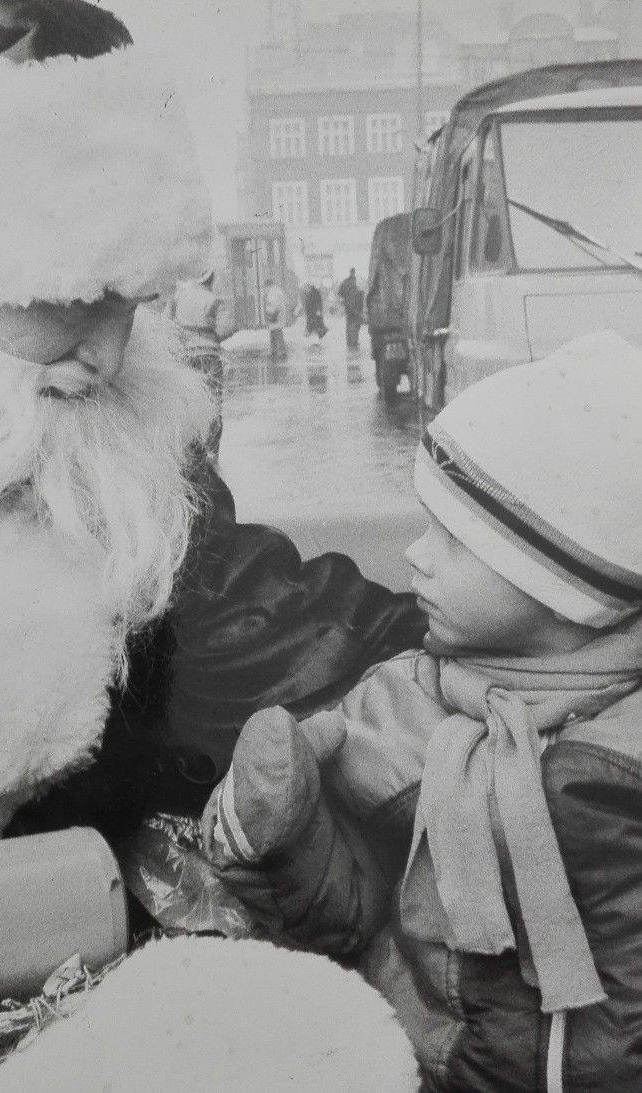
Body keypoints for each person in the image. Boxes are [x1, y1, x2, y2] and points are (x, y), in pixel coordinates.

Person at [0, 32, 426, 855]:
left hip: (62, 934)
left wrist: (520, 659)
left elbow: (278, 633)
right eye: (79, 297)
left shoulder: (121, 456)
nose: (110, 356)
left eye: (130, 305)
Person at [203, 329, 642, 1091]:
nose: (415, 556)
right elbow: (364, 908)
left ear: (564, 580)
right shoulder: (404, 707)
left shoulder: (621, 755)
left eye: (456, 540)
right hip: (431, 1067)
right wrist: (293, 833)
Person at [167, 269, 226, 459]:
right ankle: (211, 450)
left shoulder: (178, 297)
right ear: (211, 278)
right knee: (213, 403)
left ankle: (189, 448)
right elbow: (224, 329)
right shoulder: (213, 300)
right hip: (209, 356)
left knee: (187, 401)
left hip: (185, 356)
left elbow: (166, 322)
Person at [338, 267, 365, 351]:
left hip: (348, 307)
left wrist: (344, 302)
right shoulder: (358, 281)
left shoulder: (344, 282)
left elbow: (339, 294)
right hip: (357, 307)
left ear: (350, 272)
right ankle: (354, 341)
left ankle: (349, 341)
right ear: (354, 272)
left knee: (349, 323)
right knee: (356, 324)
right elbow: (361, 293)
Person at [263, 277, 288, 361]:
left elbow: (274, 304)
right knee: (274, 333)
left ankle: (280, 351)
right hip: (279, 315)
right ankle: (274, 350)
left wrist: (271, 314)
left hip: (275, 316)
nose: (264, 289)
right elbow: (285, 301)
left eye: (265, 287)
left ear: (268, 285)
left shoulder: (273, 293)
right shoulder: (278, 291)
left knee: (276, 333)